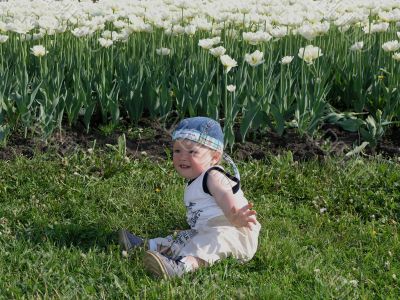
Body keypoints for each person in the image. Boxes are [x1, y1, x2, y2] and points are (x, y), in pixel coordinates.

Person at [119, 116, 261, 278]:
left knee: (206, 244)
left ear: (214, 158)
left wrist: (234, 216)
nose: (182, 157)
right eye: (177, 150)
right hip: (207, 229)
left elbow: (224, 194)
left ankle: (181, 267)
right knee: (183, 238)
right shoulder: (197, 179)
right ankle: (147, 246)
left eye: (192, 152)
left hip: (232, 232)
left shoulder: (213, 176)